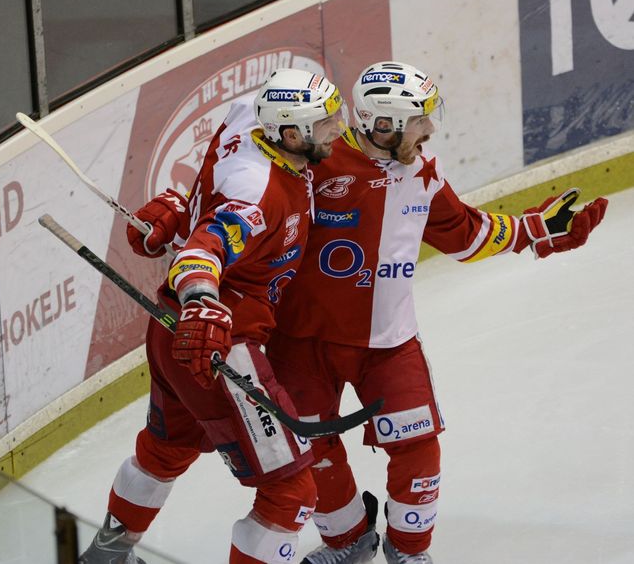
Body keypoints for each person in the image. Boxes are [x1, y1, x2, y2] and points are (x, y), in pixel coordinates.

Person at [263, 61, 609, 564]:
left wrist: (537, 230)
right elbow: (247, 204)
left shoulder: (423, 170)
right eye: (420, 120)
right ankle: (349, 542)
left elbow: (464, 234)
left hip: (389, 342)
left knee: (418, 445)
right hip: (300, 342)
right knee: (307, 448)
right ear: (384, 126)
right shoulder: (315, 161)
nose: (431, 130)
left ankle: (408, 552)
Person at [78, 67, 348, 564]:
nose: (338, 130)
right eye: (327, 124)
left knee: (166, 450)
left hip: (170, 330)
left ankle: (105, 556)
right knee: (292, 494)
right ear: (291, 133)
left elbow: (206, 201)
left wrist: (179, 210)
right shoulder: (258, 193)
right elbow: (203, 250)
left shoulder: (247, 116)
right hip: (220, 347)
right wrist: (202, 299)